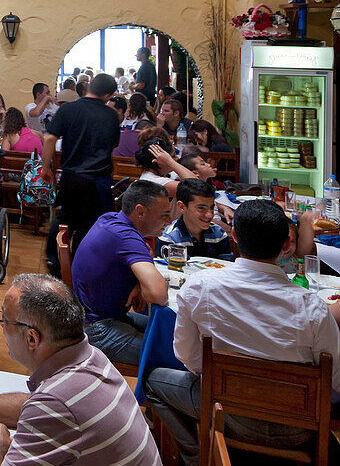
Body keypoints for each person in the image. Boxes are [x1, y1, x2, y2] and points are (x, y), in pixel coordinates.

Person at [145, 199, 340, 466]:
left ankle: (198, 456)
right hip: (298, 430)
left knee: (153, 381)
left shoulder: (200, 287)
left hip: (225, 414)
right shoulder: (313, 308)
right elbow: (335, 378)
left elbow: (189, 359)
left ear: (234, 236)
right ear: (286, 246)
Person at [0, 274, 160, 466]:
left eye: (4, 321)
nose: (0, 327)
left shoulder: (56, 403)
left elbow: (45, 407)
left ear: (32, 339)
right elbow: (32, 404)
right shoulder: (91, 358)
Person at [70, 180, 170, 365]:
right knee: (181, 356)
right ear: (140, 211)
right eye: (165, 215)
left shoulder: (110, 218)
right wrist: (143, 285)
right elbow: (159, 294)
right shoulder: (127, 236)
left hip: (98, 317)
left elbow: (147, 252)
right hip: (98, 329)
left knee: (172, 332)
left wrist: (138, 283)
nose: (169, 221)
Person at [41, 73, 121, 262]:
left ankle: (53, 258)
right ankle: (79, 262)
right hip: (99, 179)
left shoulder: (69, 109)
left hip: (73, 176)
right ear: (108, 95)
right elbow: (111, 149)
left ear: (88, 87)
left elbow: (49, 138)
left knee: (64, 218)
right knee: (91, 225)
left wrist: (46, 167)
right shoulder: (111, 115)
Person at [154, 178, 233, 261]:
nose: (209, 215)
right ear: (182, 207)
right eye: (201, 208)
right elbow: (167, 271)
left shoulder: (219, 234)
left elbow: (226, 266)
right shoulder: (169, 238)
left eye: (212, 208)